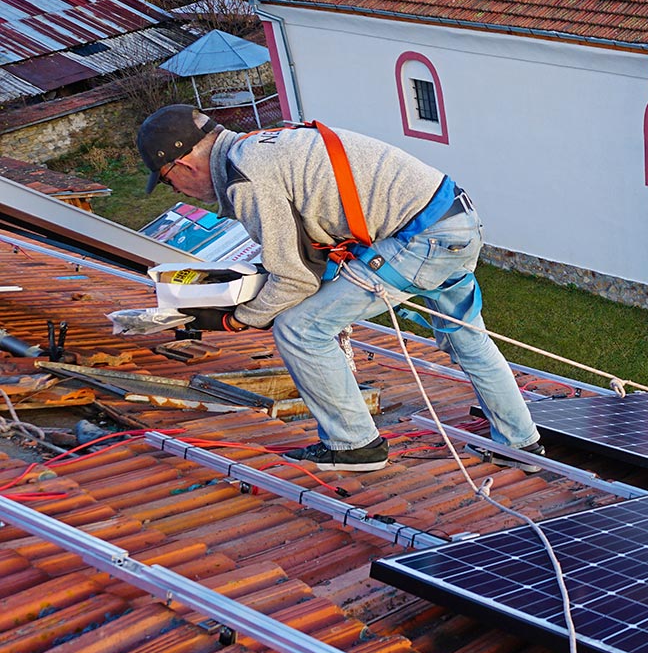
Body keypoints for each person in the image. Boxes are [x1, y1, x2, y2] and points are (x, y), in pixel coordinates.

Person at [136, 104, 544, 473]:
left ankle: (353, 446)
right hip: (457, 221)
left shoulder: (247, 175)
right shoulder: (262, 147)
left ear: (184, 162)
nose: (175, 190)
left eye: (169, 180)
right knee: (466, 337)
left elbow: (294, 277)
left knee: (300, 329)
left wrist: (239, 318)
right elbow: (307, 261)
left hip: (421, 239)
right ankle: (521, 442)